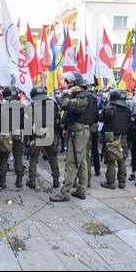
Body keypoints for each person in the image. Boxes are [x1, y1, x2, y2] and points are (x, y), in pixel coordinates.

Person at [51, 72, 95, 202]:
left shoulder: (83, 98)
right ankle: (81, 190)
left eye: (70, 84)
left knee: (72, 161)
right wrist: (66, 127)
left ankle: (64, 193)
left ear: (77, 85)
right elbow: (70, 113)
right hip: (76, 130)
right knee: (81, 162)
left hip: (79, 132)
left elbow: (65, 105)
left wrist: (67, 92)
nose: (68, 86)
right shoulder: (82, 96)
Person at [26, 85, 61, 190]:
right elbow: (57, 121)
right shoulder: (53, 103)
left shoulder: (31, 106)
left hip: (37, 135)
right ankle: (56, 180)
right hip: (49, 134)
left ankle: (32, 181)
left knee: (33, 158)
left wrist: (31, 139)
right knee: (53, 158)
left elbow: (28, 124)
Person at [100, 89, 131, 189]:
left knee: (111, 159)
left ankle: (110, 182)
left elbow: (101, 118)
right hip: (123, 137)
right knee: (122, 159)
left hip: (112, 136)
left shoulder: (110, 109)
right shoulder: (127, 110)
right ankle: (122, 182)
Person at [0, 85, 25, 189]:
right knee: (18, 158)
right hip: (18, 133)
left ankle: (2, 182)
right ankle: (19, 181)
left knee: (4, 158)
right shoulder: (21, 107)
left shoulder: (1, 107)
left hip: (5, 134)